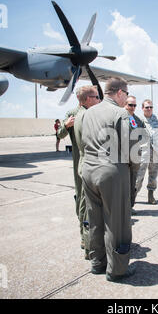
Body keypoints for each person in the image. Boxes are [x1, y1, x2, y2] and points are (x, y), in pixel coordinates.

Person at [81, 77, 135, 282]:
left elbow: (81, 141)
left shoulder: (89, 112)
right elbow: (129, 148)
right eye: (127, 94)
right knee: (117, 223)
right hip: (111, 170)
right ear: (119, 93)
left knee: (94, 219)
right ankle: (117, 270)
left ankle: (97, 263)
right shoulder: (121, 113)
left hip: (88, 169)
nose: (127, 98)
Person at [57, 85, 100, 260]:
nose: (99, 100)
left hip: (91, 163)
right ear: (87, 98)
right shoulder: (73, 113)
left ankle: (88, 236)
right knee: (82, 200)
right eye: (96, 97)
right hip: (80, 162)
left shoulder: (95, 112)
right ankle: (84, 237)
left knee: (88, 201)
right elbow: (59, 135)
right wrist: (66, 126)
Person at [135, 99, 158, 205]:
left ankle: (150, 194)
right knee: (139, 175)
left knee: (154, 174)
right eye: (147, 107)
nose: (149, 109)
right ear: (142, 108)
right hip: (142, 152)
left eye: (151, 107)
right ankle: (132, 196)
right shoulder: (138, 119)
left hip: (155, 151)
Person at [124, 95, 147, 215]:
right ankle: (121, 207)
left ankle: (130, 206)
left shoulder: (138, 120)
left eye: (134, 105)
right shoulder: (119, 118)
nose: (132, 107)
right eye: (130, 105)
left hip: (135, 157)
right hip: (121, 157)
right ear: (124, 104)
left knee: (133, 183)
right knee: (122, 184)